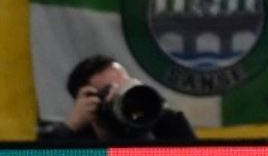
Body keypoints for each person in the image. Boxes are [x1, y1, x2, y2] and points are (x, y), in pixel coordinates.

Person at [38, 55, 197, 146]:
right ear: (88, 103)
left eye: (125, 86)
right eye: (109, 91)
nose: (123, 96)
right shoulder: (76, 141)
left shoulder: (167, 124)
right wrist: (69, 127)